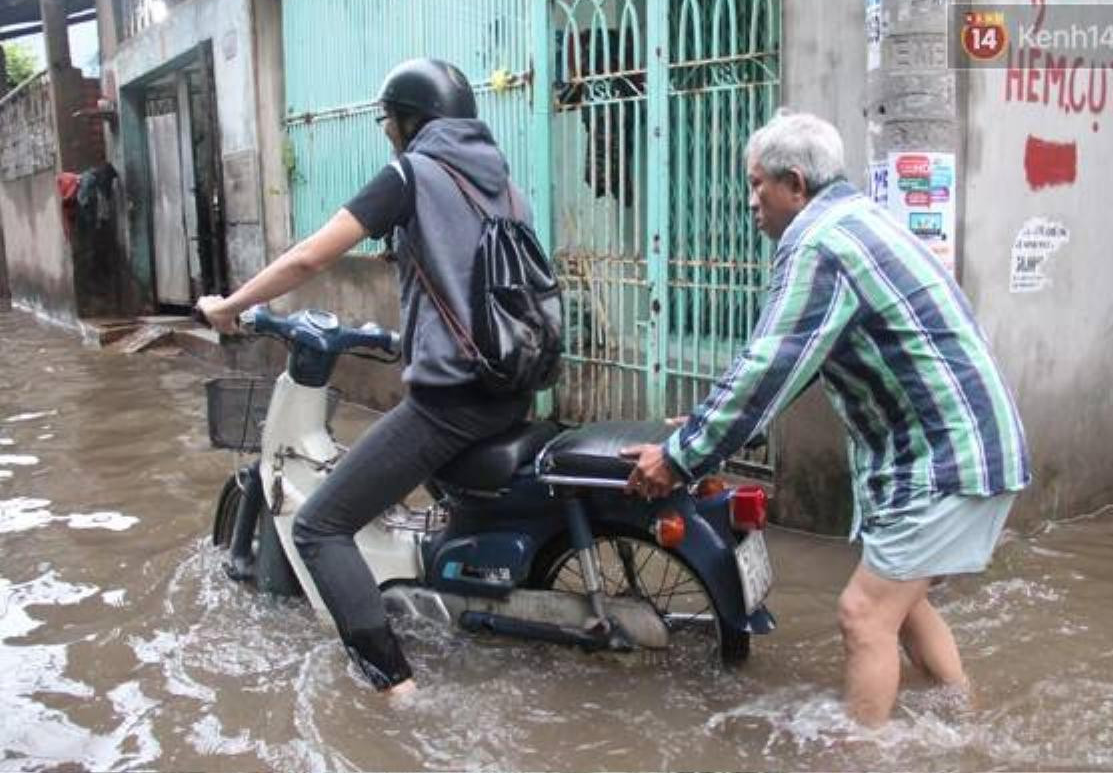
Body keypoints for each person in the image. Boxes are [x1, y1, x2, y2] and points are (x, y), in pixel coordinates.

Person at [621, 110, 1031, 726]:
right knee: (904, 605)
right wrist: (705, 427)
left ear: (794, 184)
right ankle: (965, 721)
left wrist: (681, 457)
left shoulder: (817, 243)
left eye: (757, 186)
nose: (751, 203)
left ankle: (860, 754)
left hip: (943, 461)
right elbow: (797, 368)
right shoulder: (856, 220)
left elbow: (770, 364)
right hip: (965, 451)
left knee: (863, 613)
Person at [196, 58, 534, 700]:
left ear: (412, 122)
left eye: (388, 122)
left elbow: (308, 257)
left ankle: (398, 693)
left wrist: (230, 307)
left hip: (452, 402)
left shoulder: (412, 175)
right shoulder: (502, 186)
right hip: (510, 392)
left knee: (321, 527)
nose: (387, 134)